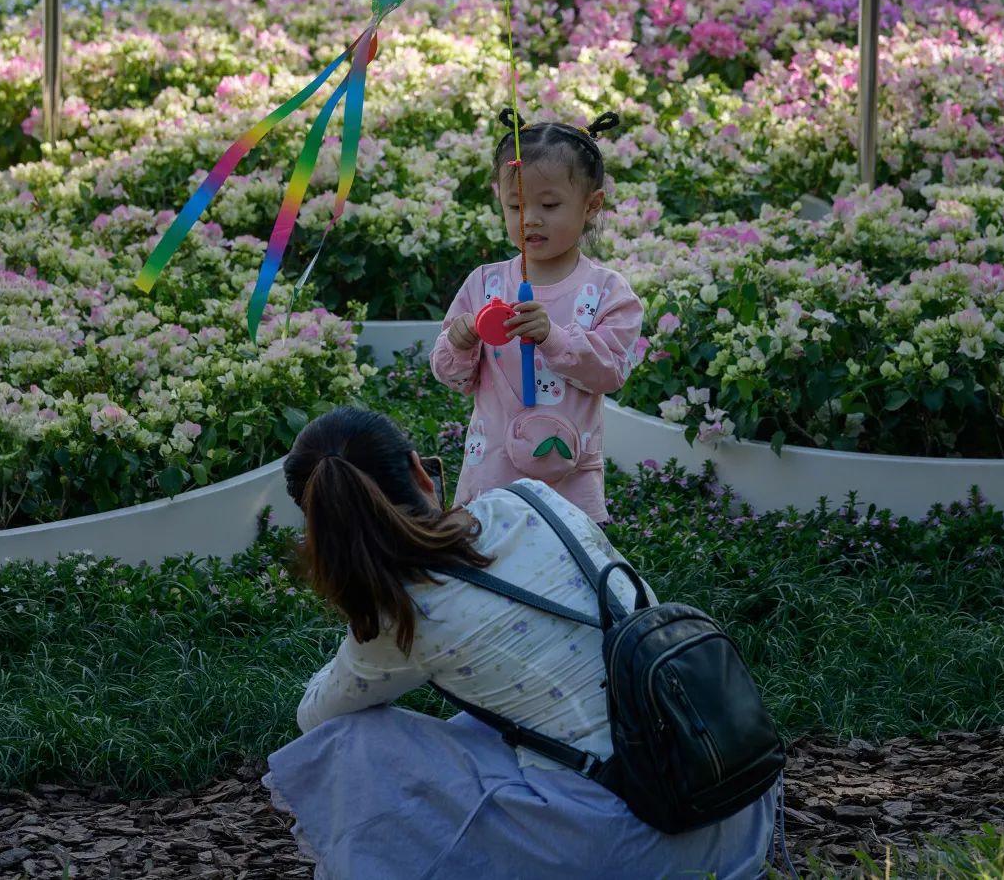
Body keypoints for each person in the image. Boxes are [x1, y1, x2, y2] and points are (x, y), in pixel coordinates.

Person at [264, 405, 778, 880]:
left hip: (648, 848)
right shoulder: (532, 499)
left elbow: (317, 719)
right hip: (736, 802)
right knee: (491, 717)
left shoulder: (401, 615)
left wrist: (358, 635)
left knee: (346, 746)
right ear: (421, 472)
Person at [430, 111, 644, 525]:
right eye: (515, 205)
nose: (529, 217)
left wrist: (554, 338)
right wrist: (459, 341)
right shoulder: (484, 284)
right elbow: (453, 377)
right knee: (490, 566)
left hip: (567, 479)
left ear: (591, 205)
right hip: (491, 473)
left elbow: (610, 372)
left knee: (565, 571)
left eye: (549, 204)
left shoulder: (607, 292)